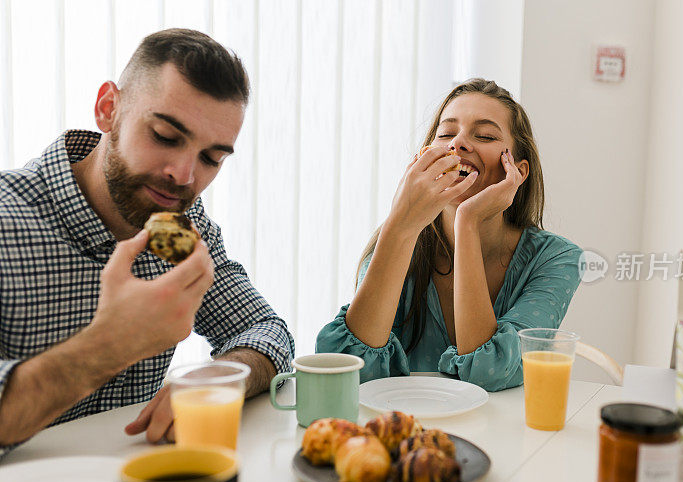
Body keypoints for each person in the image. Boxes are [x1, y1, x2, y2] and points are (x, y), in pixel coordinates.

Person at [0, 29, 294, 457]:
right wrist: (113, 343)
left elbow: (267, 332)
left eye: (211, 158)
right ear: (108, 109)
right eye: (164, 136)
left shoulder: (184, 230)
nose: (184, 175)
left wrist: (220, 377)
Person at [316, 79, 582, 392]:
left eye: (484, 135)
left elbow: (490, 370)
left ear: (518, 172)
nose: (459, 143)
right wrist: (400, 224)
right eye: (446, 133)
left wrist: (467, 220)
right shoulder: (398, 240)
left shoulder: (557, 259)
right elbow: (347, 369)